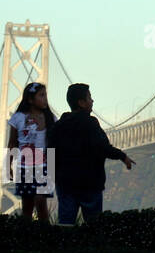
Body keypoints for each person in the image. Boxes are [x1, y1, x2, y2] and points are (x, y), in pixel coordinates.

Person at [50, 83, 134, 224]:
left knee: (65, 226)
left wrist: (55, 176)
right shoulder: (90, 123)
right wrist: (122, 156)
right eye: (89, 98)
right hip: (89, 184)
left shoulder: (58, 126)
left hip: (65, 184)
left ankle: (64, 246)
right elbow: (103, 147)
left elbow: (50, 151)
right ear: (81, 103)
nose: (92, 101)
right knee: (94, 227)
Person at [6, 82, 56, 221]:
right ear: (30, 99)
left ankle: (44, 235)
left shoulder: (50, 118)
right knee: (27, 205)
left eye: (45, 95)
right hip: (24, 166)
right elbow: (12, 143)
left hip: (45, 166)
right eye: (41, 95)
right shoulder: (18, 118)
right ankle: (26, 236)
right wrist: (8, 165)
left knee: (41, 202)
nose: (45, 99)